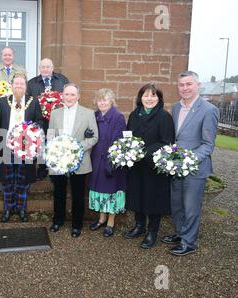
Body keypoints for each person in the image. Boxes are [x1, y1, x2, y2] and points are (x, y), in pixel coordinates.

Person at [163, 71, 219, 256]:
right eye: (181, 85)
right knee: (176, 204)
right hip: (176, 166)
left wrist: (188, 160)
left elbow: (208, 145)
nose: (185, 88)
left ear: (198, 85)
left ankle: (189, 242)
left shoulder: (209, 110)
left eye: (189, 84)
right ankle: (180, 233)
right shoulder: (176, 107)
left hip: (195, 168)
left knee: (191, 206)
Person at [124, 83, 175, 249]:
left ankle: (152, 231)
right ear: (140, 98)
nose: (149, 99)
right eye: (146, 95)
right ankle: (139, 226)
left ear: (158, 98)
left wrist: (144, 151)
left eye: (153, 95)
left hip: (154, 165)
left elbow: (167, 141)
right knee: (137, 194)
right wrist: (128, 150)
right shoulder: (134, 115)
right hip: (137, 166)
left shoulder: (164, 116)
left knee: (153, 198)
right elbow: (128, 137)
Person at [48, 83, 99, 238]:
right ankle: (58, 220)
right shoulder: (55, 113)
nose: (69, 97)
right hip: (59, 159)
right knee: (59, 191)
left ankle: (77, 224)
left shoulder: (88, 113)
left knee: (77, 194)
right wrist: (56, 148)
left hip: (80, 159)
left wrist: (75, 147)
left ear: (78, 96)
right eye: (66, 94)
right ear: (62, 96)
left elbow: (94, 137)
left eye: (72, 94)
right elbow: (50, 135)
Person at [0, 73, 43, 223]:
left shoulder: (33, 102)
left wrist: (33, 137)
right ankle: (8, 209)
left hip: (26, 148)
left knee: (23, 180)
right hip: (6, 147)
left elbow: (39, 122)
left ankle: (21, 209)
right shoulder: (3, 102)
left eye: (22, 84)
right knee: (7, 181)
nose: (19, 86)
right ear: (12, 85)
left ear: (26, 86)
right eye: (16, 84)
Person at [88, 89, 127, 237]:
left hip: (112, 159)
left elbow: (118, 141)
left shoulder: (118, 117)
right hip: (97, 158)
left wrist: (111, 160)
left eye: (105, 100)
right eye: (100, 100)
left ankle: (110, 222)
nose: (102, 102)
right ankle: (101, 218)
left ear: (111, 101)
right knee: (99, 190)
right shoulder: (95, 116)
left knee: (111, 191)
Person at [27, 58, 69, 180]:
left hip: (58, 119)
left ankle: (54, 167)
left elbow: (69, 96)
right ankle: (41, 168)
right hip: (40, 119)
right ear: (39, 68)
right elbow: (29, 102)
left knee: (56, 143)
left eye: (48, 67)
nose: (45, 69)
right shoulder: (32, 83)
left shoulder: (62, 80)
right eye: (43, 67)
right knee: (41, 143)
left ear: (52, 68)